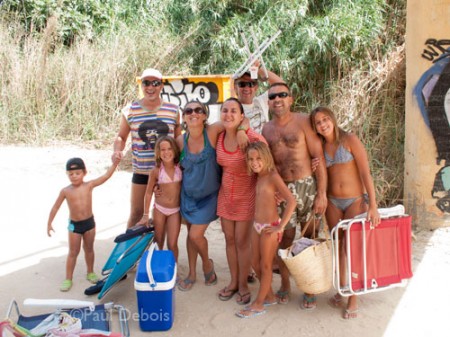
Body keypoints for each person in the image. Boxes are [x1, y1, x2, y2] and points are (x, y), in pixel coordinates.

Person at [310, 106, 381, 319]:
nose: (323, 124)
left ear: (332, 118)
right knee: (338, 244)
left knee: (352, 247)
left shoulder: (350, 140)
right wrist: (315, 165)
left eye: (325, 119)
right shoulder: (320, 147)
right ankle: (342, 289)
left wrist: (373, 205)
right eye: (318, 123)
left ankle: (353, 296)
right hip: (332, 202)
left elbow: (365, 173)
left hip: (355, 201)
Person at [262, 82, 327, 309]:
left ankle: (309, 287)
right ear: (268, 102)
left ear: (291, 98)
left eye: (282, 95)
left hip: (308, 185)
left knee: (309, 237)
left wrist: (321, 193)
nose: (277, 99)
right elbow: (267, 166)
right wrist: (273, 192)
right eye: (272, 96)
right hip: (283, 190)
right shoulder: (266, 129)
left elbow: (319, 157)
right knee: (285, 238)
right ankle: (286, 283)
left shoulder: (303, 122)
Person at [176, 100, 249, 291]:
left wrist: (241, 130)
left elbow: (242, 119)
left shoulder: (213, 131)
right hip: (188, 196)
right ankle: (192, 273)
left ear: (205, 115)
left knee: (195, 234)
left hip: (209, 197)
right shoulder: (179, 141)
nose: (194, 113)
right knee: (190, 236)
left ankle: (207, 265)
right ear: (184, 117)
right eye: (188, 110)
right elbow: (169, 166)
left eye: (198, 110)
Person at [111, 68, 181, 228]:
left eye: (155, 83)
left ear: (161, 86)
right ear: (142, 85)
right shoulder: (130, 110)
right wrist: (117, 149)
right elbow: (121, 136)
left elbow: (178, 139)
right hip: (142, 172)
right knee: (136, 214)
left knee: (163, 216)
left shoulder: (173, 110)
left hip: (166, 172)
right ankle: (130, 251)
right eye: (146, 83)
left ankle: (156, 252)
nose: (150, 87)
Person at [235, 142, 296, 318]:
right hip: (257, 225)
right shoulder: (258, 177)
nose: (254, 162)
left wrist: (280, 226)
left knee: (267, 265)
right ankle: (268, 295)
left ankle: (259, 303)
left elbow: (291, 201)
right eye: (251, 159)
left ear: (266, 158)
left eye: (258, 158)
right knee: (255, 262)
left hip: (270, 227)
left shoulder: (272, 176)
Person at [216, 98, 267, 305]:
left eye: (233, 111)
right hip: (226, 196)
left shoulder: (252, 137)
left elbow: (266, 162)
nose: (228, 115)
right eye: (225, 111)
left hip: (246, 196)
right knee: (229, 240)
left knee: (242, 243)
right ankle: (234, 282)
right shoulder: (219, 137)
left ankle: (244, 285)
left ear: (241, 116)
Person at [47, 157, 119, 292]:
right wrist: (49, 223)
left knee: (89, 249)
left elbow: (106, 176)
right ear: (67, 174)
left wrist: (114, 164)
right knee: (73, 252)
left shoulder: (89, 185)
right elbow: (56, 207)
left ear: (84, 173)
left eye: (77, 173)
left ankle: (90, 272)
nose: (74, 177)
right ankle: (68, 278)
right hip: (74, 226)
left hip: (89, 224)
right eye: (71, 174)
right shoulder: (65, 191)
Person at [137, 136, 182, 261]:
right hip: (159, 209)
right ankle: (155, 268)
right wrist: (146, 215)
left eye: (169, 149)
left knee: (172, 244)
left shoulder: (180, 167)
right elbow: (148, 193)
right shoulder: (156, 171)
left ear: (175, 150)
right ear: (158, 152)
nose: (166, 152)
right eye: (162, 150)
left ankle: (172, 269)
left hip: (175, 210)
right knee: (158, 241)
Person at [233, 60, 284, 134]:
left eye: (251, 84)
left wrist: (258, 70)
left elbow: (282, 86)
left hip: (265, 145)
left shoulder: (261, 101)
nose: (246, 88)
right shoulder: (231, 108)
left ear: (256, 87)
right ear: (235, 87)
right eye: (242, 84)